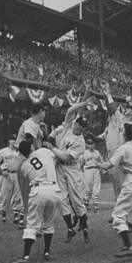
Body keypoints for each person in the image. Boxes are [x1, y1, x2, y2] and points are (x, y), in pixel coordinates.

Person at [45, 97, 95, 244]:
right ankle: (70, 229)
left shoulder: (81, 143)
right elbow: (70, 110)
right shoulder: (68, 127)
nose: (79, 130)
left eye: (82, 129)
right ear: (76, 124)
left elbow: (66, 156)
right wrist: (84, 103)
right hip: (60, 167)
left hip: (72, 168)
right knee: (62, 198)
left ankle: (85, 228)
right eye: (78, 127)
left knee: (77, 199)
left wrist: (52, 148)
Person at [100, 123, 132, 257]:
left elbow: (109, 164)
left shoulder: (123, 148)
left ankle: (128, 246)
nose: (121, 133)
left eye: (122, 132)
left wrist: (97, 164)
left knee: (118, 216)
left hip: (131, 181)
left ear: (125, 134)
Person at [11, 141, 62, 263]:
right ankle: (47, 252)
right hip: (54, 190)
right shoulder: (44, 151)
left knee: (32, 225)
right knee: (49, 223)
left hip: (38, 191)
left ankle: (26, 256)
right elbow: (57, 158)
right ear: (32, 147)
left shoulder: (24, 166)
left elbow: (13, 167)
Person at [99, 81, 132, 199]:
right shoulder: (120, 119)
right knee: (117, 187)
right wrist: (106, 94)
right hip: (115, 155)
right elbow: (111, 109)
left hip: (127, 159)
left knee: (126, 188)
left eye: (128, 108)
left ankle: (126, 214)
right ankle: (119, 214)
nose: (126, 109)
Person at [0, 135, 23, 224]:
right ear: (9, 141)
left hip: (17, 174)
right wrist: (1, 172)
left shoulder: (19, 151)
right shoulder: (4, 151)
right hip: (7, 174)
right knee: (5, 195)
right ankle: (3, 215)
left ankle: (16, 216)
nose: (14, 141)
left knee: (17, 195)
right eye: (12, 139)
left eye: (15, 139)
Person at [80, 138, 103, 213]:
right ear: (87, 145)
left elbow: (101, 161)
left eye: (92, 143)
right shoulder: (84, 153)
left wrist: (103, 169)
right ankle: (86, 203)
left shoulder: (97, 152)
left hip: (96, 170)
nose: (91, 145)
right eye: (89, 144)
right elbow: (81, 163)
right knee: (88, 188)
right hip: (88, 170)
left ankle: (95, 204)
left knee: (96, 187)